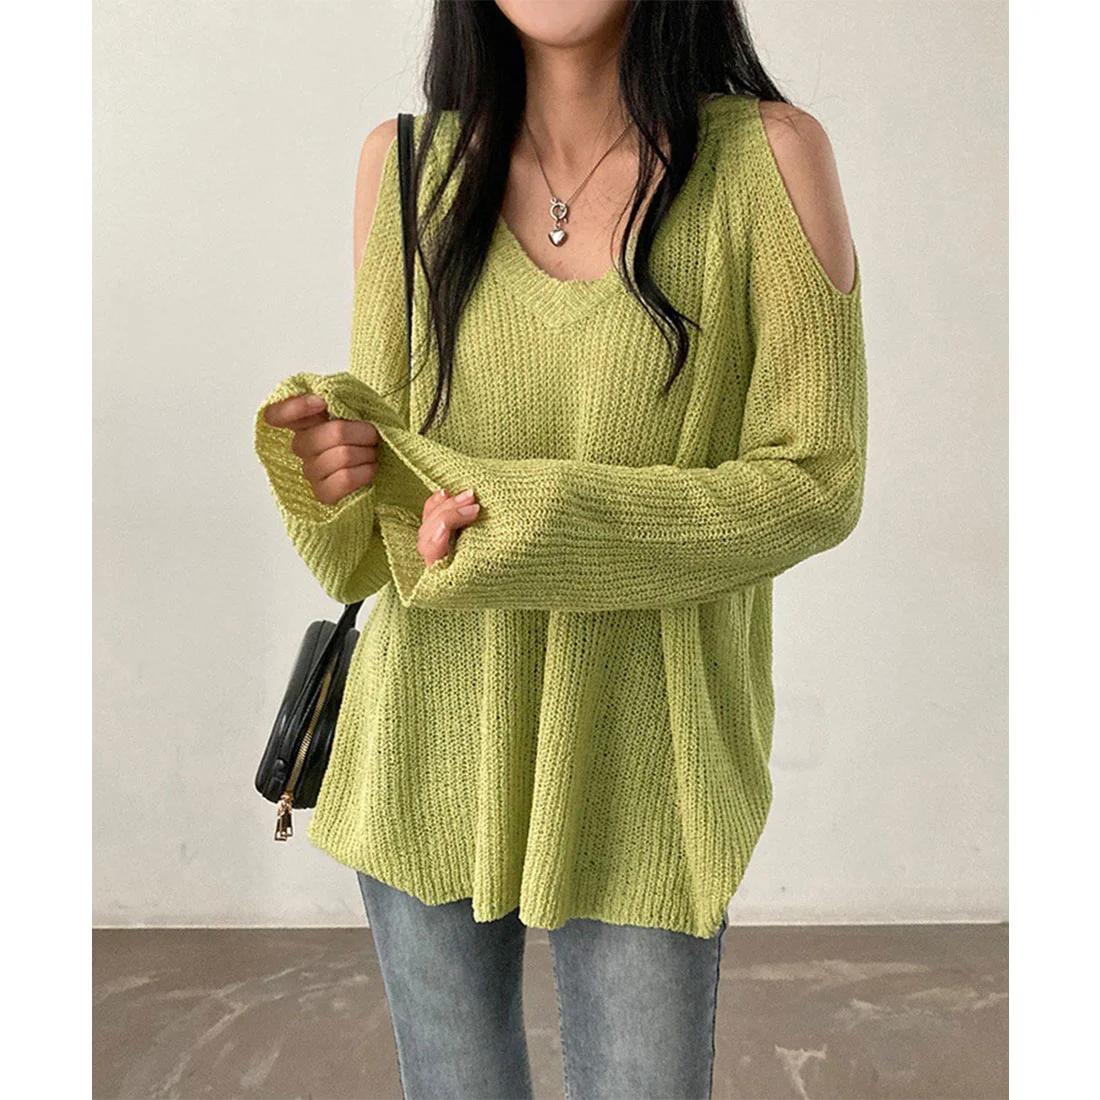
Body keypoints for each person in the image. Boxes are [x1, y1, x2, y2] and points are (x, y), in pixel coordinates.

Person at [254, 1, 866, 1096]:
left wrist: (543, 526)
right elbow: (375, 555)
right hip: (423, 748)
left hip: (648, 764)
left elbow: (815, 482)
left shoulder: (768, 162)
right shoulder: (405, 171)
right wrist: (329, 480)